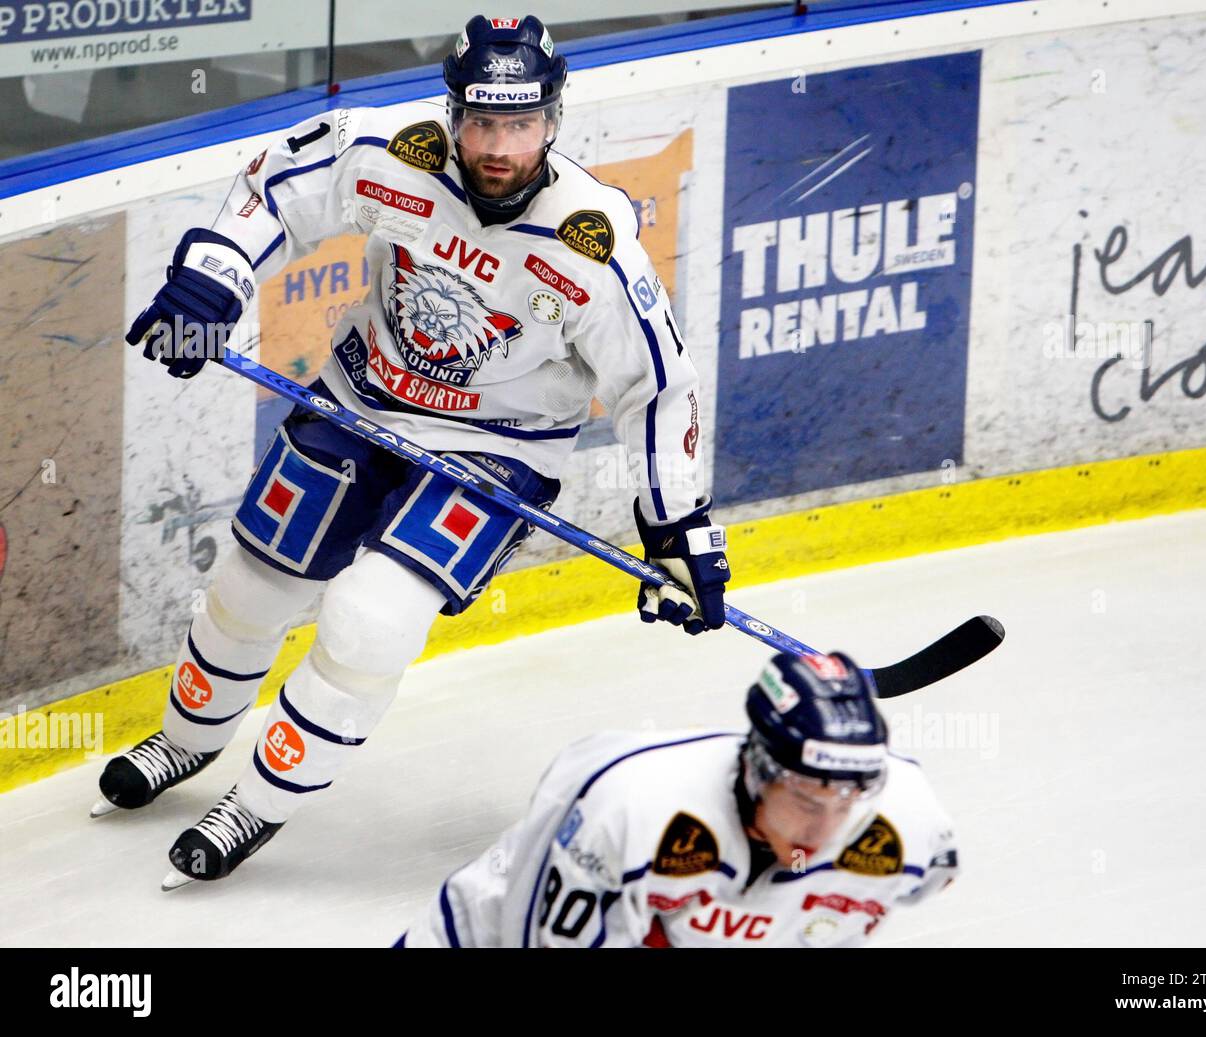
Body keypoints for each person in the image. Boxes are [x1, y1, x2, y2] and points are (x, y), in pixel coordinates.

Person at [92, 15, 730, 889]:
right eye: (481, 122)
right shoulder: (391, 155)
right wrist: (212, 280)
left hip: (493, 452)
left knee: (369, 619)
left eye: (520, 124)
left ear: (553, 121)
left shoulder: (593, 239)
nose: (498, 146)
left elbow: (655, 384)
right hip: (362, 399)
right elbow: (276, 188)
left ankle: (258, 800)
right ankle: (185, 739)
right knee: (250, 584)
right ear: (453, 112)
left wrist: (679, 528)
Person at [397, 651, 960, 947]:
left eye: (850, 801)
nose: (826, 829)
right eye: (809, 801)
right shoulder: (628, 806)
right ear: (757, 770)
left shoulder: (910, 823)